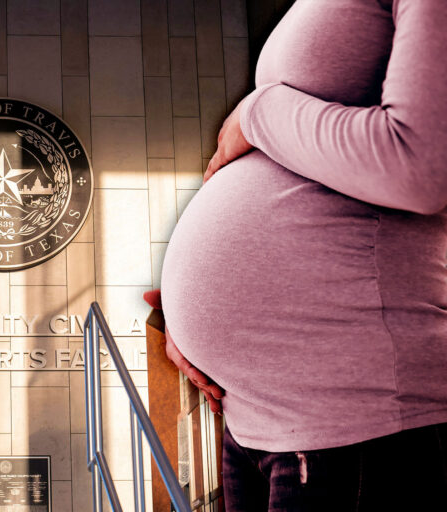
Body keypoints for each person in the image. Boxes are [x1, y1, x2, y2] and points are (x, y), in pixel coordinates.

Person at [157, 0, 447, 510]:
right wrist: (191, 317)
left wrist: (257, 111)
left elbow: (420, 167)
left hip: (356, 419)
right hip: (253, 420)